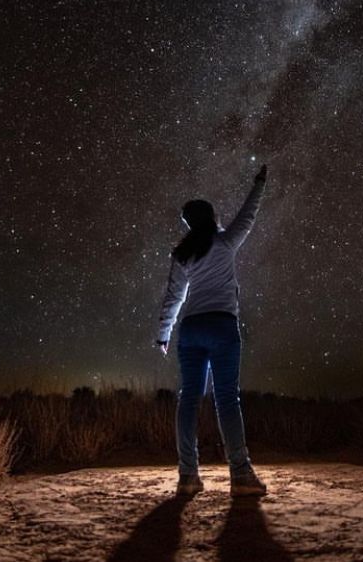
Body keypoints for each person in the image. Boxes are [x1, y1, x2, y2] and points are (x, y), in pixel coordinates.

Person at [156, 164, 268, 497]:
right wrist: (259, 184)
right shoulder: (224, 242)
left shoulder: (183, 254)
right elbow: (248, 216)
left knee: (188, 400)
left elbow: (173, 297)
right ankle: (240, 474)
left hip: (191, 329)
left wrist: (163, 333)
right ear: (211, 217)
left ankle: (187, 476)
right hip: (221, 325)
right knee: (226, 400)